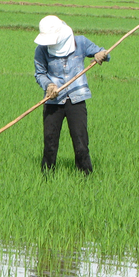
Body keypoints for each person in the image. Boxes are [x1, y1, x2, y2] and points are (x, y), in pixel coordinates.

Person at [34, 15, 109, 175]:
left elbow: (104, 53)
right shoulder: (41, 49)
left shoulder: (80, 42)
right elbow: (40, 74)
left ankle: (85, 178)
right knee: (50, 143)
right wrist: (49, 85)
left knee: (81, 143)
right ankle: (46, 178)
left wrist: (100, 54)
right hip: (53, 101)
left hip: (76, 99)